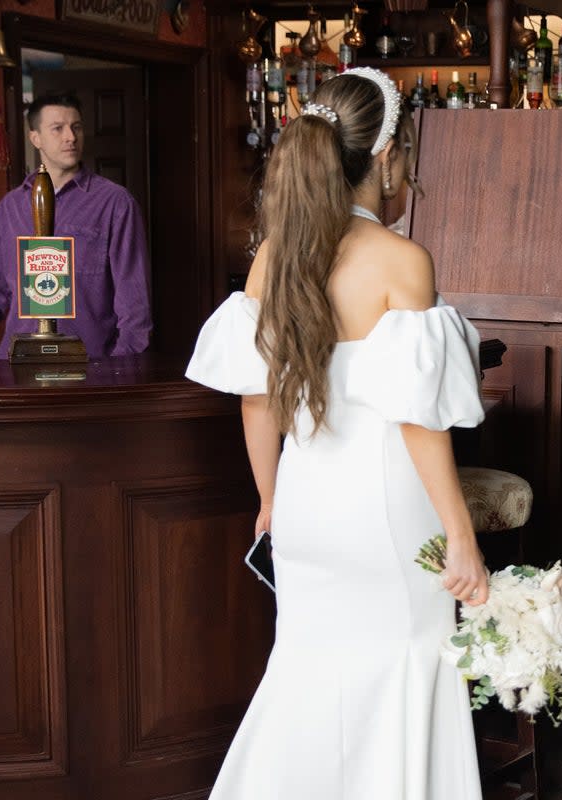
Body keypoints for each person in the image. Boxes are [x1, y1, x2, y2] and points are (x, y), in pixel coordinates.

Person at [185, 67, 488, 798]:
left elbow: (256, 403)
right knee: (406, 668)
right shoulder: (401, 262)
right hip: (387, 510)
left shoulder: (274, 259)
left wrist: (270, 501)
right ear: (385, 158)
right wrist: (459, 534)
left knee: (307, 674)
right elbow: (417, 419)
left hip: (307, 507)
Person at [0, 93, 151, 358]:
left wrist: (117, 372)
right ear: (35, 138)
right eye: (58, 128)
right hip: (18, 368)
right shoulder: (11, 206)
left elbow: (135, 304)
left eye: (76, 127)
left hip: (90, 369)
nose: (71, 137)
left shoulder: (115, 203)